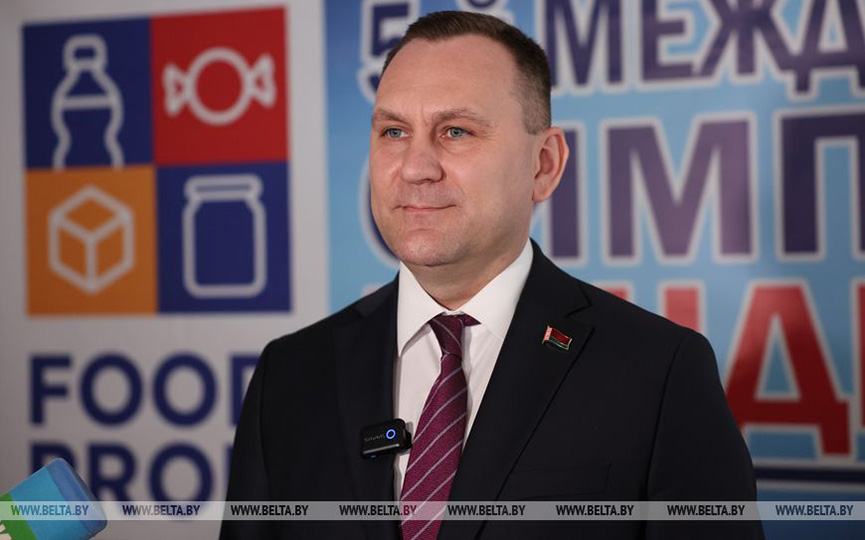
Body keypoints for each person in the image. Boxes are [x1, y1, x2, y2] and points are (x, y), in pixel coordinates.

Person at [221, 11, 763, 540]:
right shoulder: (290, 375)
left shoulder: (660, 373)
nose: (415, 167)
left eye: (456, 131)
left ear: (544, 164)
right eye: (393, 131)